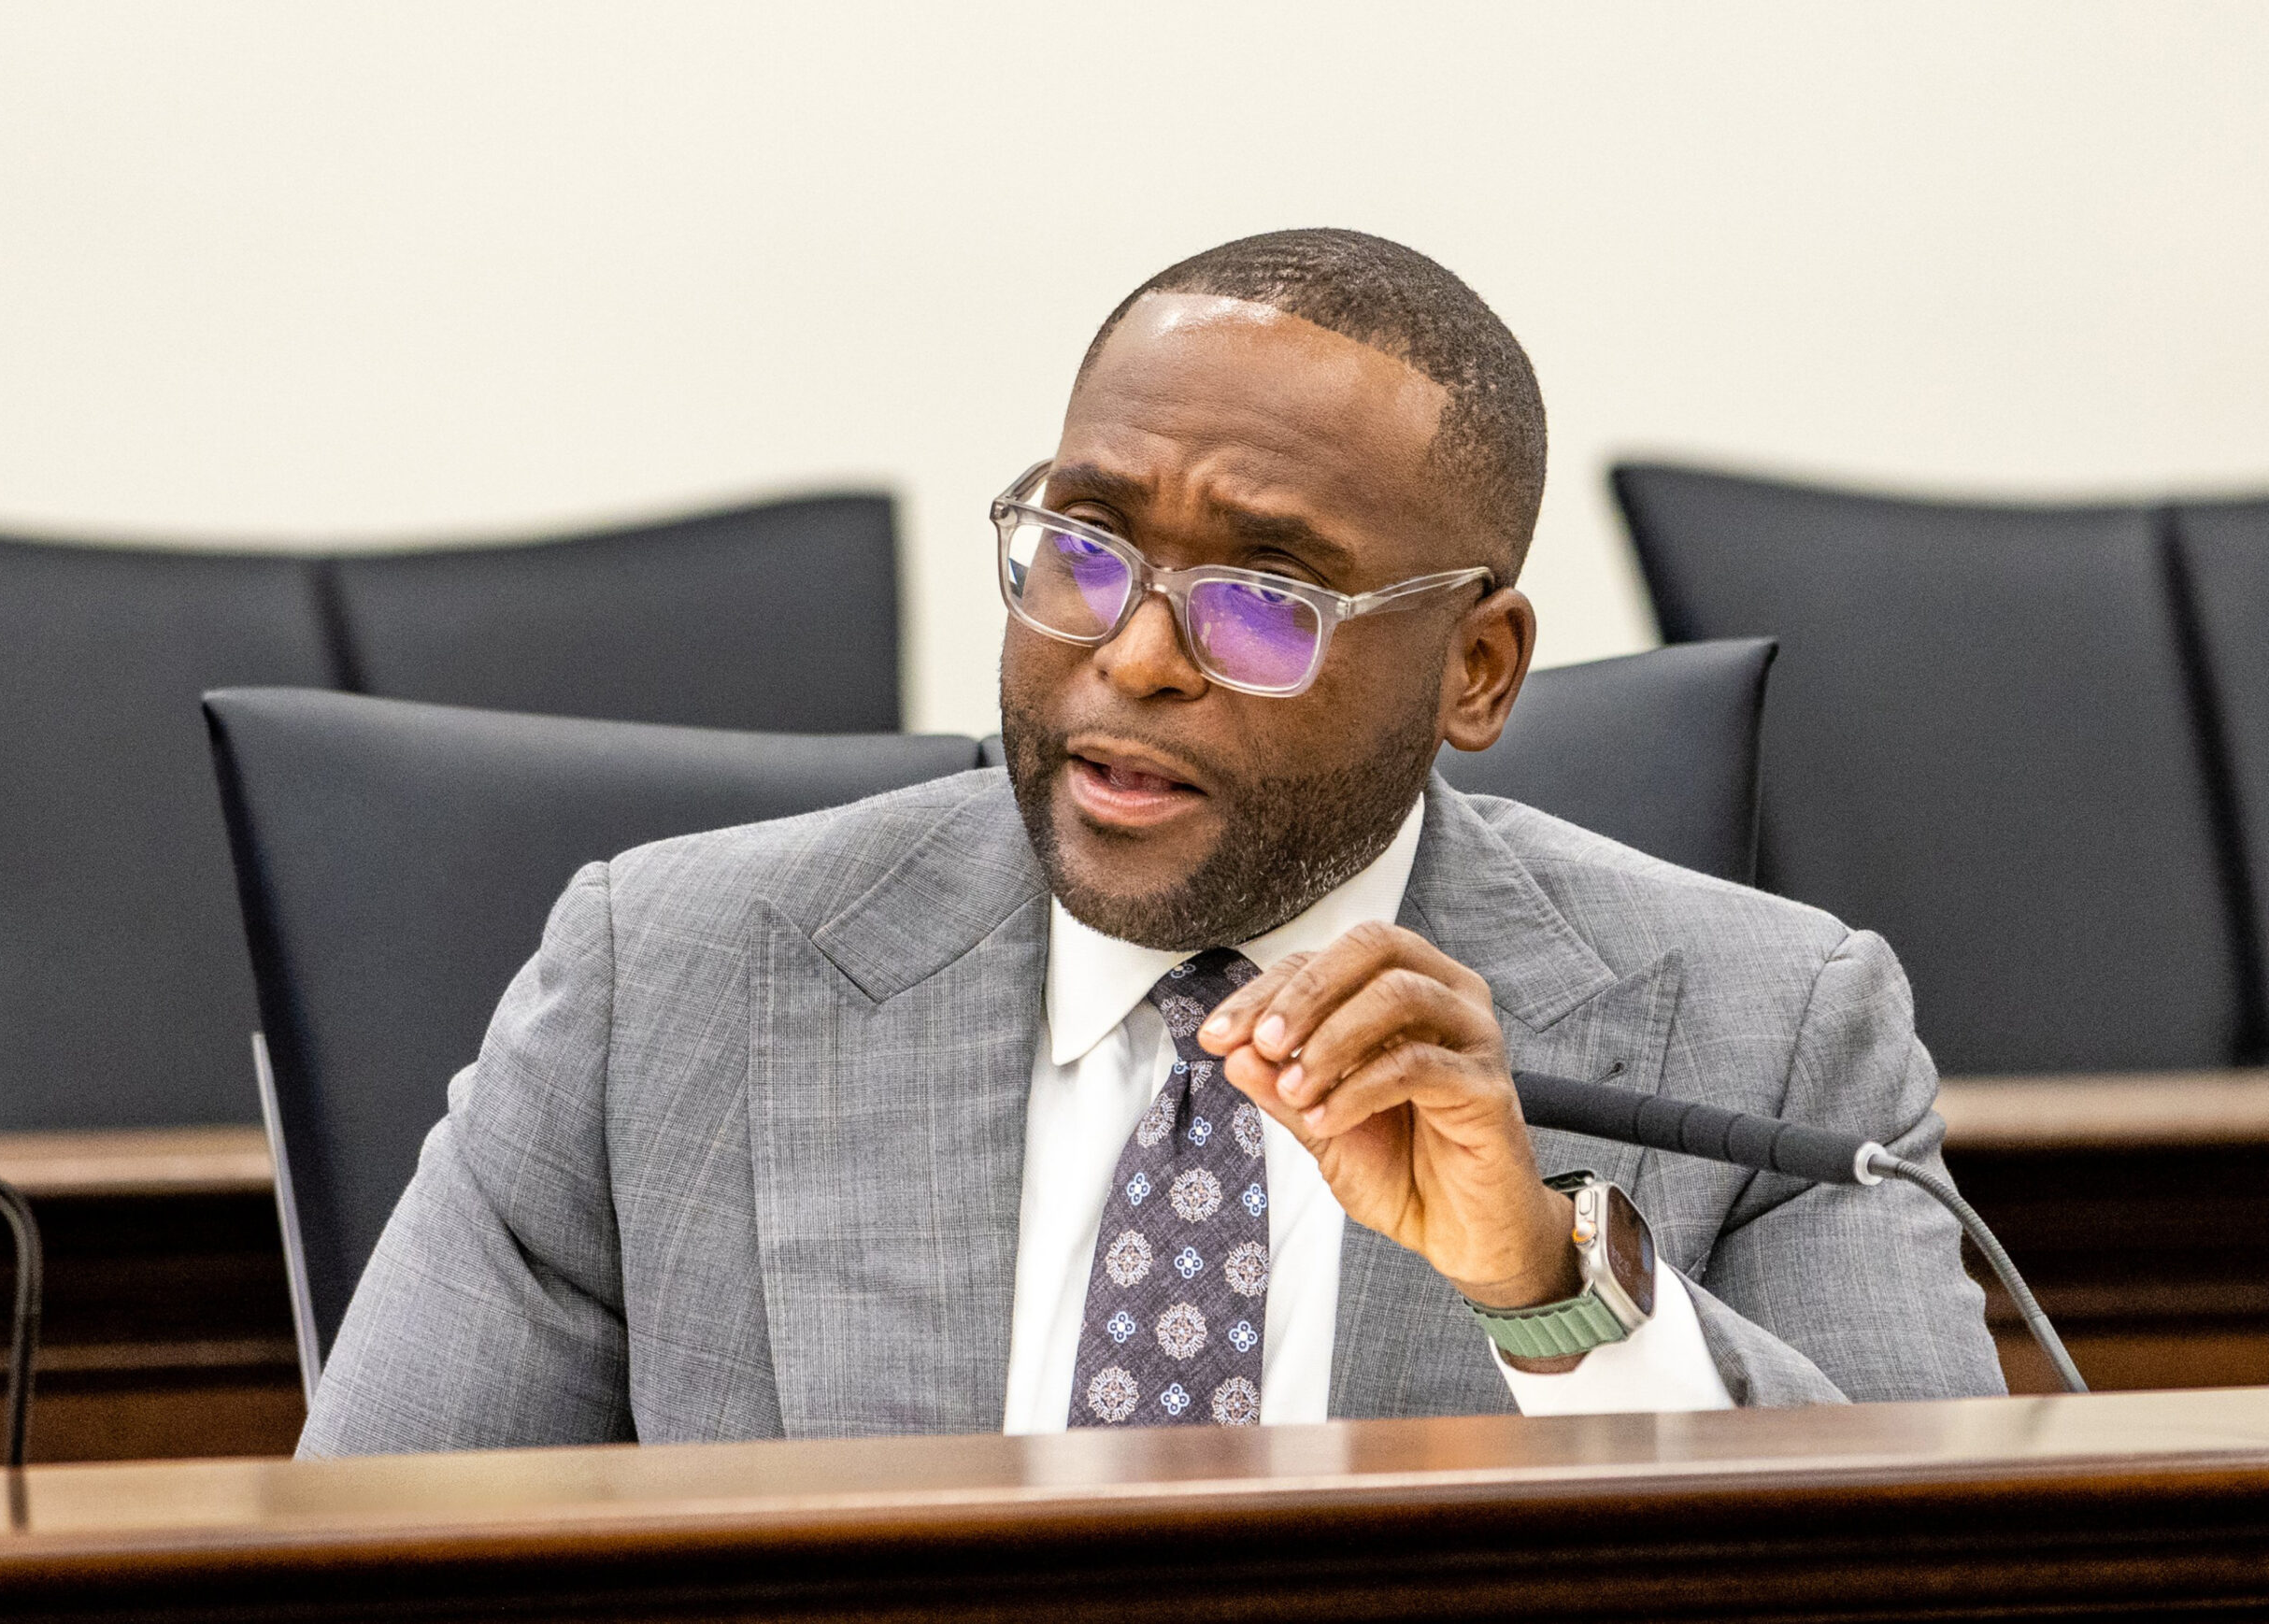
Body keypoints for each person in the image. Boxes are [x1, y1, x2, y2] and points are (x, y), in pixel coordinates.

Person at [299, 229, 2003, 1454]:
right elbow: (362, 1578)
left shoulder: (1774, 1025)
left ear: (1475, 670)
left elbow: (1937, 1584)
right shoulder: (656, 985)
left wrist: (1555, 1291)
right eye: (1083, 548)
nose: (1128, 655)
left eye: (1263, 599)